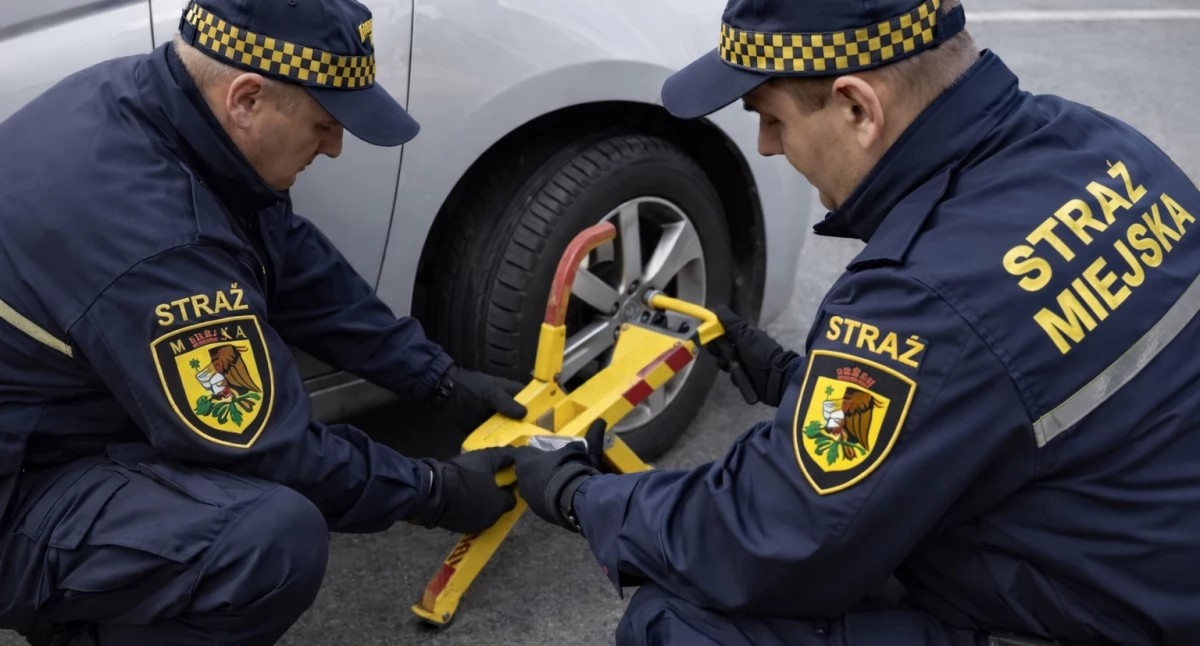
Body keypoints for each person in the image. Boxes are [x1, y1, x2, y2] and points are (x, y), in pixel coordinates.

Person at [512, 0, 1200, 644]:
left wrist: (583, 495)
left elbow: (769, 535)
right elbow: (993, 380)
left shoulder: (924, 294)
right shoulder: (1102, 147)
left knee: (683, 619)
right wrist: (797, 378)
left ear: (857, 107)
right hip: (1149, 554)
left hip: (1095, 618)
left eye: (772, 117)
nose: (767, 146)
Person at [0, 0, 529, 643]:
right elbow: (268, 449)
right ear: (247, 98)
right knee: (268, 542)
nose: (334, 148)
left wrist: (436, 378)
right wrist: (433, 489)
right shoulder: (158, 242)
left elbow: (294, 264)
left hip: (46, 416)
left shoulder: (149, 102)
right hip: (19, 488)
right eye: (324, 124)